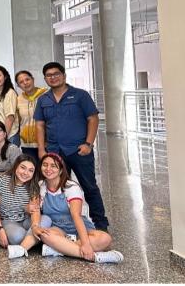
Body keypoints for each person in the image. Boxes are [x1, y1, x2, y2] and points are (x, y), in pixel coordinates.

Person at [34, 61, 108, 231]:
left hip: (79, 150)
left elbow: (93, 119)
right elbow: (39, 125)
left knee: (89, 186)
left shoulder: (80, 95)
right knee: (55, 187)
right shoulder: (43, 99)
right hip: (54, 152)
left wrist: (88, 143)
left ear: (64, 75)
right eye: (49, 75)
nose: (53, 77)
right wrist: (41, 149)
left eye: (56, 74)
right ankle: (62, 223)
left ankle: (101, 224)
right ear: (45, 79)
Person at [34, 153, 123, 263]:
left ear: (61, 170)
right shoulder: (40, 186)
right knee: (46, 235)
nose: (48, 169)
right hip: (57, 229)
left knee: (105, 238)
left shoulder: (71, 187)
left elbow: (76, 216)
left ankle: (60, 249)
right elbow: (34, 209)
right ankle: (95, 257)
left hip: (78, 227)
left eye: (53, 166)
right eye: (45, 165)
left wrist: (85, 244)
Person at [0, 155, 42, 257]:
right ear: (16, 166)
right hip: (8, 221)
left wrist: (34, 226)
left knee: (46, 220)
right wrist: (0, 229)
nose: (26, 173)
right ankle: (38, 241)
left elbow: (35, 211)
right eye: (23, 167)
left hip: (27, 220)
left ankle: (21, 249)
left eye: (31, 170)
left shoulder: (33, 185)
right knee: (17, 236)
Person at [15, 70, 47, 160]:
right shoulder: (18, 100)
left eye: (27, 79)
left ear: (33, 79)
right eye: (21, 82)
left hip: (46, 142)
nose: (25, 83)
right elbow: (18, 122)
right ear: (18, 86)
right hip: (27, 144)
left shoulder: (46, 95)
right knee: (32, 171)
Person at [0, 65, 19, 146]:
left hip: (8, 136)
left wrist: (3, 137)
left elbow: (10, 118)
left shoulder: (10, 92)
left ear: (5, 77)